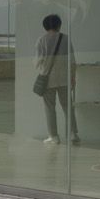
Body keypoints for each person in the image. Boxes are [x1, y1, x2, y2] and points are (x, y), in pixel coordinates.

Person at [34, 12, 78, 146]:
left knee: (49, 108)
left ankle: (54, 136)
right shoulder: (66, 39)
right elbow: (72, 61)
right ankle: (73, 134)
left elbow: (37, 62)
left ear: (45, 26)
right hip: (64, 78)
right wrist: (72, 77)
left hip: (48, 79)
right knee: (68, 107)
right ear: (59, 25)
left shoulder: (42, 40)